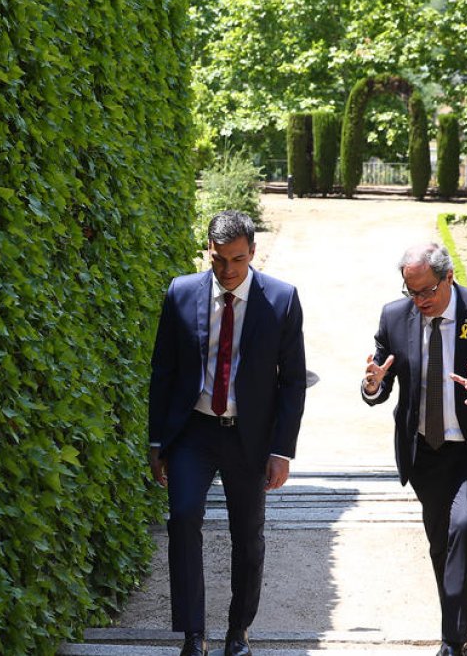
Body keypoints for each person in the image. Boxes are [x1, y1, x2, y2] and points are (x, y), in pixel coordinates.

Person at [148, 210, 307, 656]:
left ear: (252, 253)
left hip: (249, 437)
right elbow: (163, 369)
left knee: (248, 533)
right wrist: (156, 441)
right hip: (192, 430)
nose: (228, 270)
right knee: (182, 518)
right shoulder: (181, 292)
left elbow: (293, 380)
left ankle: (238, 632)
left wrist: (282, 449)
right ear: (209, 253)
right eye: (219, 260)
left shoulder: (282, 299)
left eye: (237, 259)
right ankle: (193, 635)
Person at [360, 242, 467, 656]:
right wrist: (372, 385)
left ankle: (453, 641)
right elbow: (380, 379)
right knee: (440, 541)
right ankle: (455, 628)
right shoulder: (394, 317)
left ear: (448, 277)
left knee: (464, 527)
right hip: (425, 452)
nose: (419, 302)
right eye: (410, 292)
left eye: (427, 292)